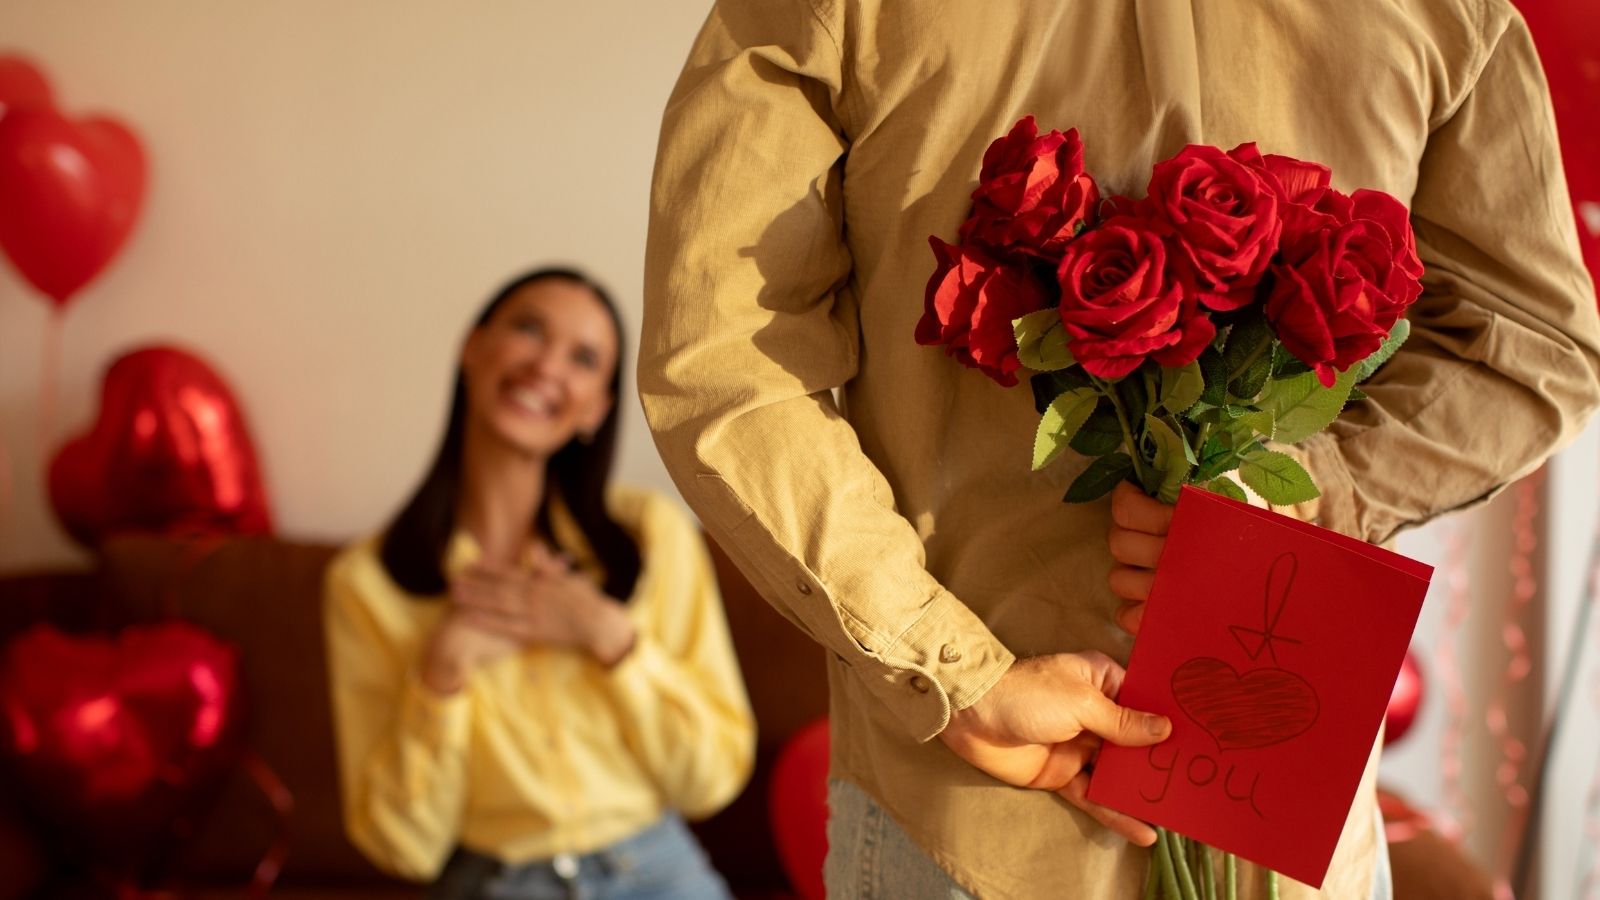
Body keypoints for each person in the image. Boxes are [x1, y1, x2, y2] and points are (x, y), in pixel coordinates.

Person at [638, 2, 1600, 898]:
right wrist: (1305, 491)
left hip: (979, 814)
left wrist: (957, 673)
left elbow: (724, 361)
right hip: (1091, 820)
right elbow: (1533, 347)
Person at [324, 268, 754, 899]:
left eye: (583, 359)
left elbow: (710, 778)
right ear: (473, 347)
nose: (547, 366)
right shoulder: (366, 584)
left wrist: (609, 636)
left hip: (658, 872)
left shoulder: (653, 536)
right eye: (529, 329)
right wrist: (441, 674)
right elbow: (404, 847)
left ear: (597, 408)